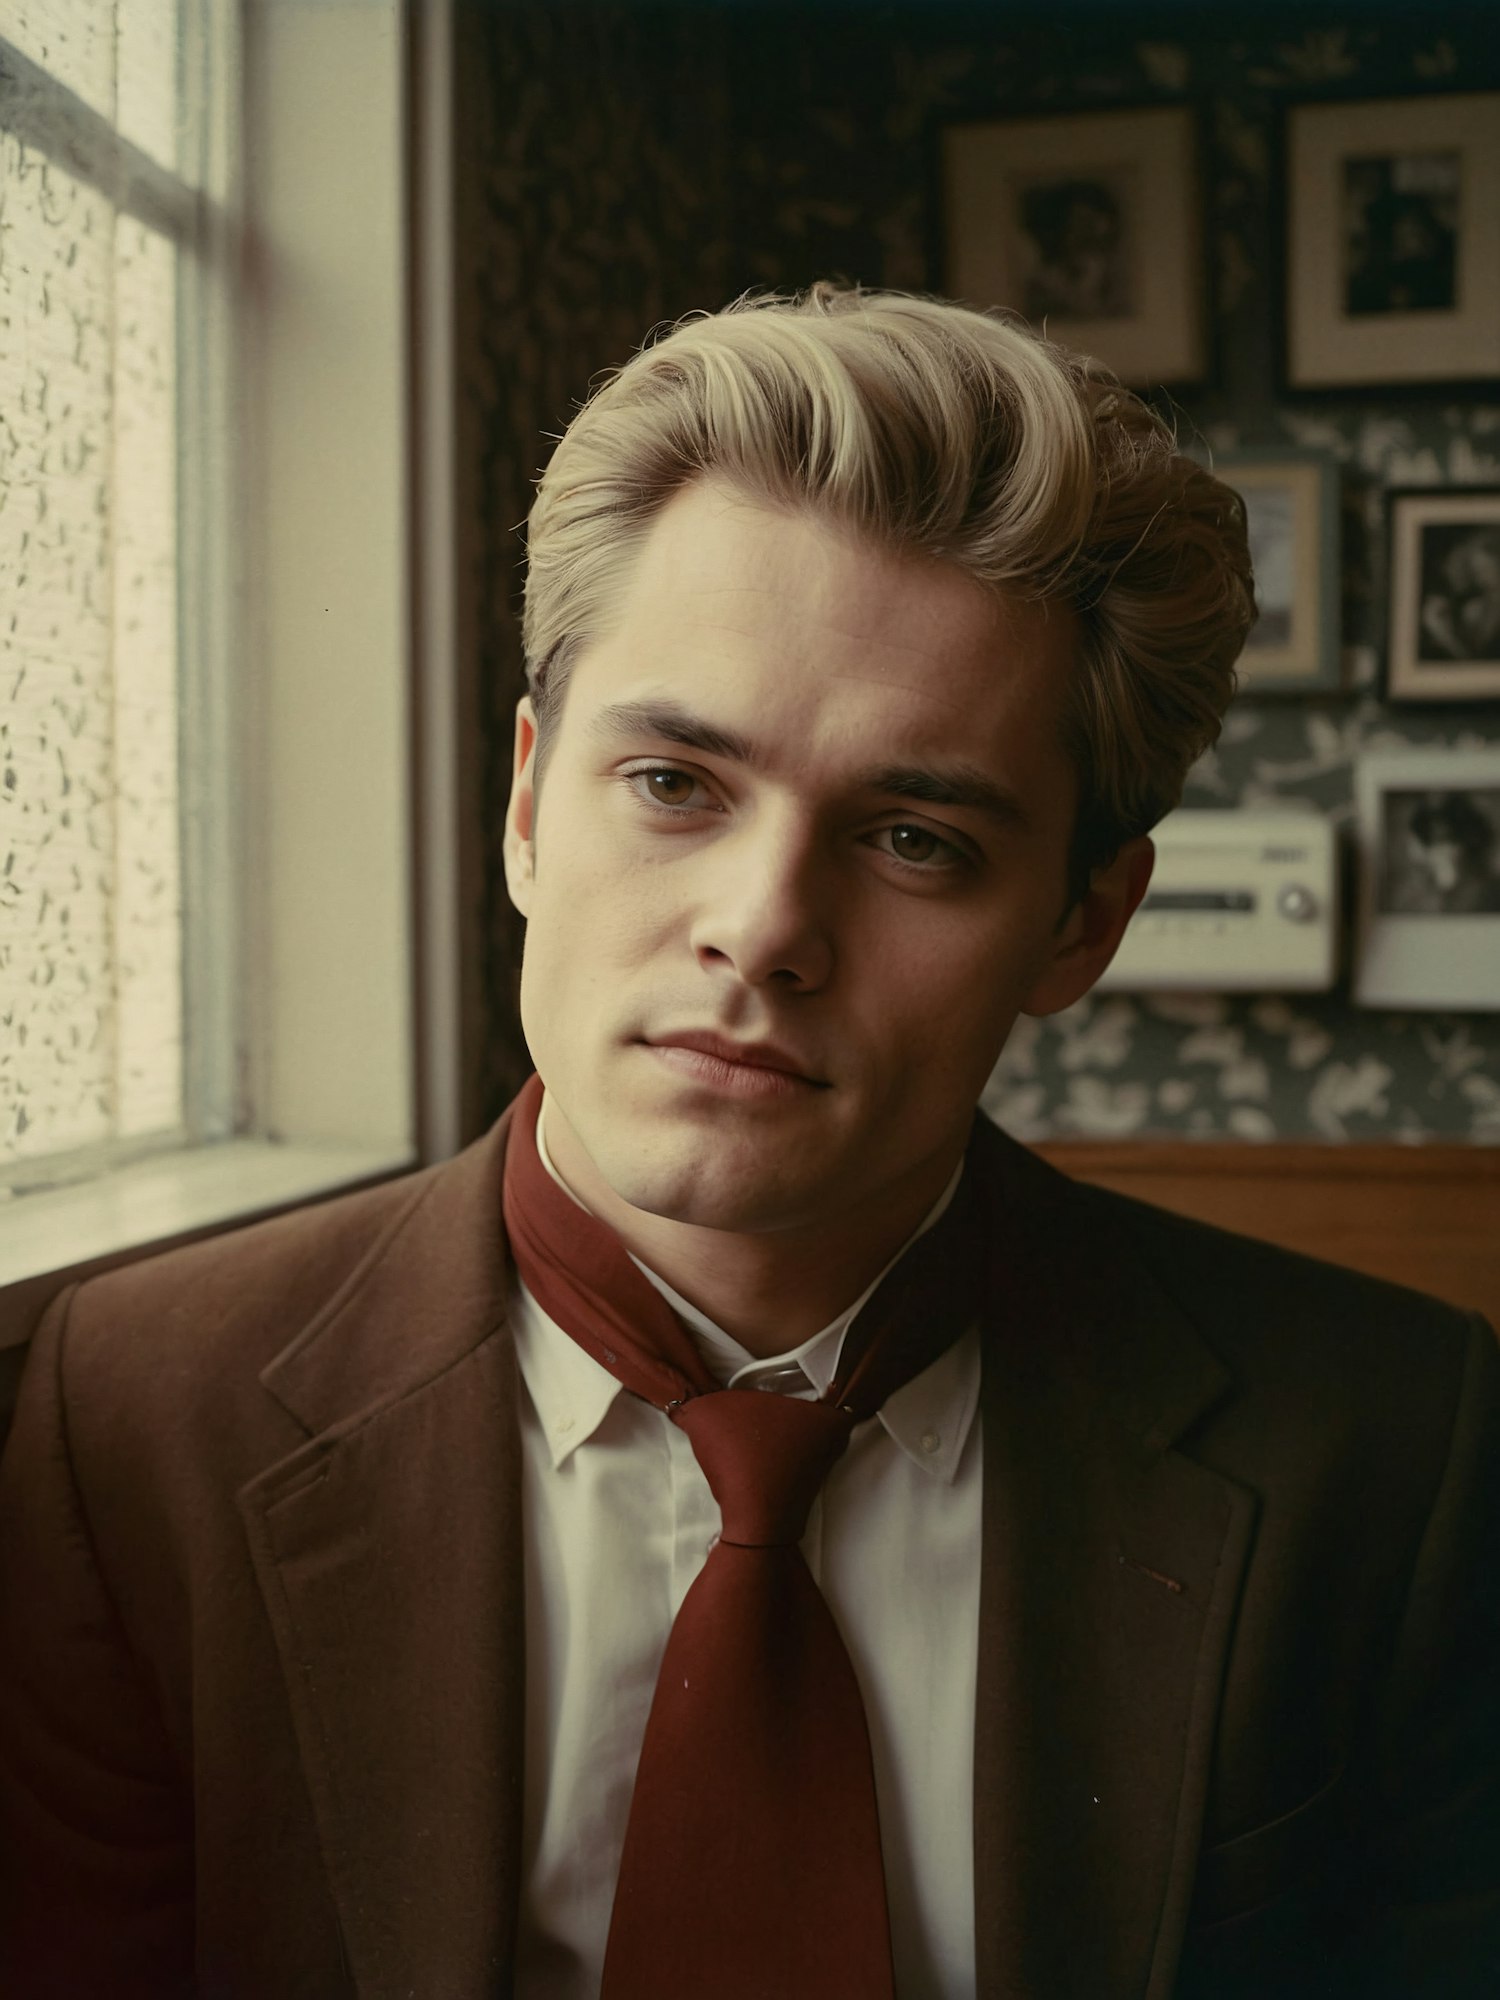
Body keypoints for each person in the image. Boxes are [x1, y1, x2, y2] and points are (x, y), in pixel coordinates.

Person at [1, 284, 1496, 2000]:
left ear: (1082, 926)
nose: (762, 927)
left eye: (917, 836)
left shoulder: (1393, 1451)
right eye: (674, 785)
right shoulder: (128, 1415)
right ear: (525, 805)